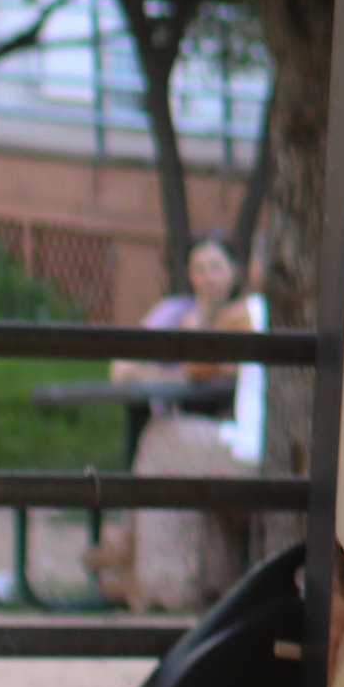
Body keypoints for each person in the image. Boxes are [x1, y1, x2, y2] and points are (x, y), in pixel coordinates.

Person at [92, 230, 262, 611]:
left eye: (216, 267)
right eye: (198, 269)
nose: (207, 277)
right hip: (223, 434)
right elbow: (126, 369)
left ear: (239, 270)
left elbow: (201, 369)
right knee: (171, 452)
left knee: (159, 443)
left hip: (239, 441)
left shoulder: (241, 314)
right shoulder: (176, 312)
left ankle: (145, 568)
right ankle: (182, 578)